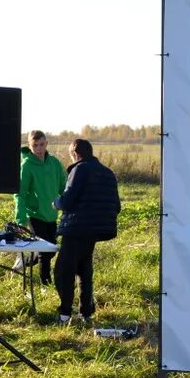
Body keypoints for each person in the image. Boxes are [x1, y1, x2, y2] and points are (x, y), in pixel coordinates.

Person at [53, 138, 120, 324]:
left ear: (76, 153)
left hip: (76, 228)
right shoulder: (108, 173)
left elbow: (68, 200)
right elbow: (117, 205)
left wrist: (57, 203)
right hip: (96, 229)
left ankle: (65, 313)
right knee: (84, 269)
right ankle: (86, 313)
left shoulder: (79, 169)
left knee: (63, 271)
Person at [15, 130, 67, 285]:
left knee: (51, 250)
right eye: (35, 145)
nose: (38, 149)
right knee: (45, 251)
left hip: (51, 214)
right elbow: (20, 193)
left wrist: (69, 204)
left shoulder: (55, 163)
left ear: (46, 144)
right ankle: (46, 285)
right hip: (35, 214)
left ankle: (26, 261)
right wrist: (21, 217)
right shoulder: (27, 166)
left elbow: (63, 187)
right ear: (30, 146)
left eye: (41, 144)